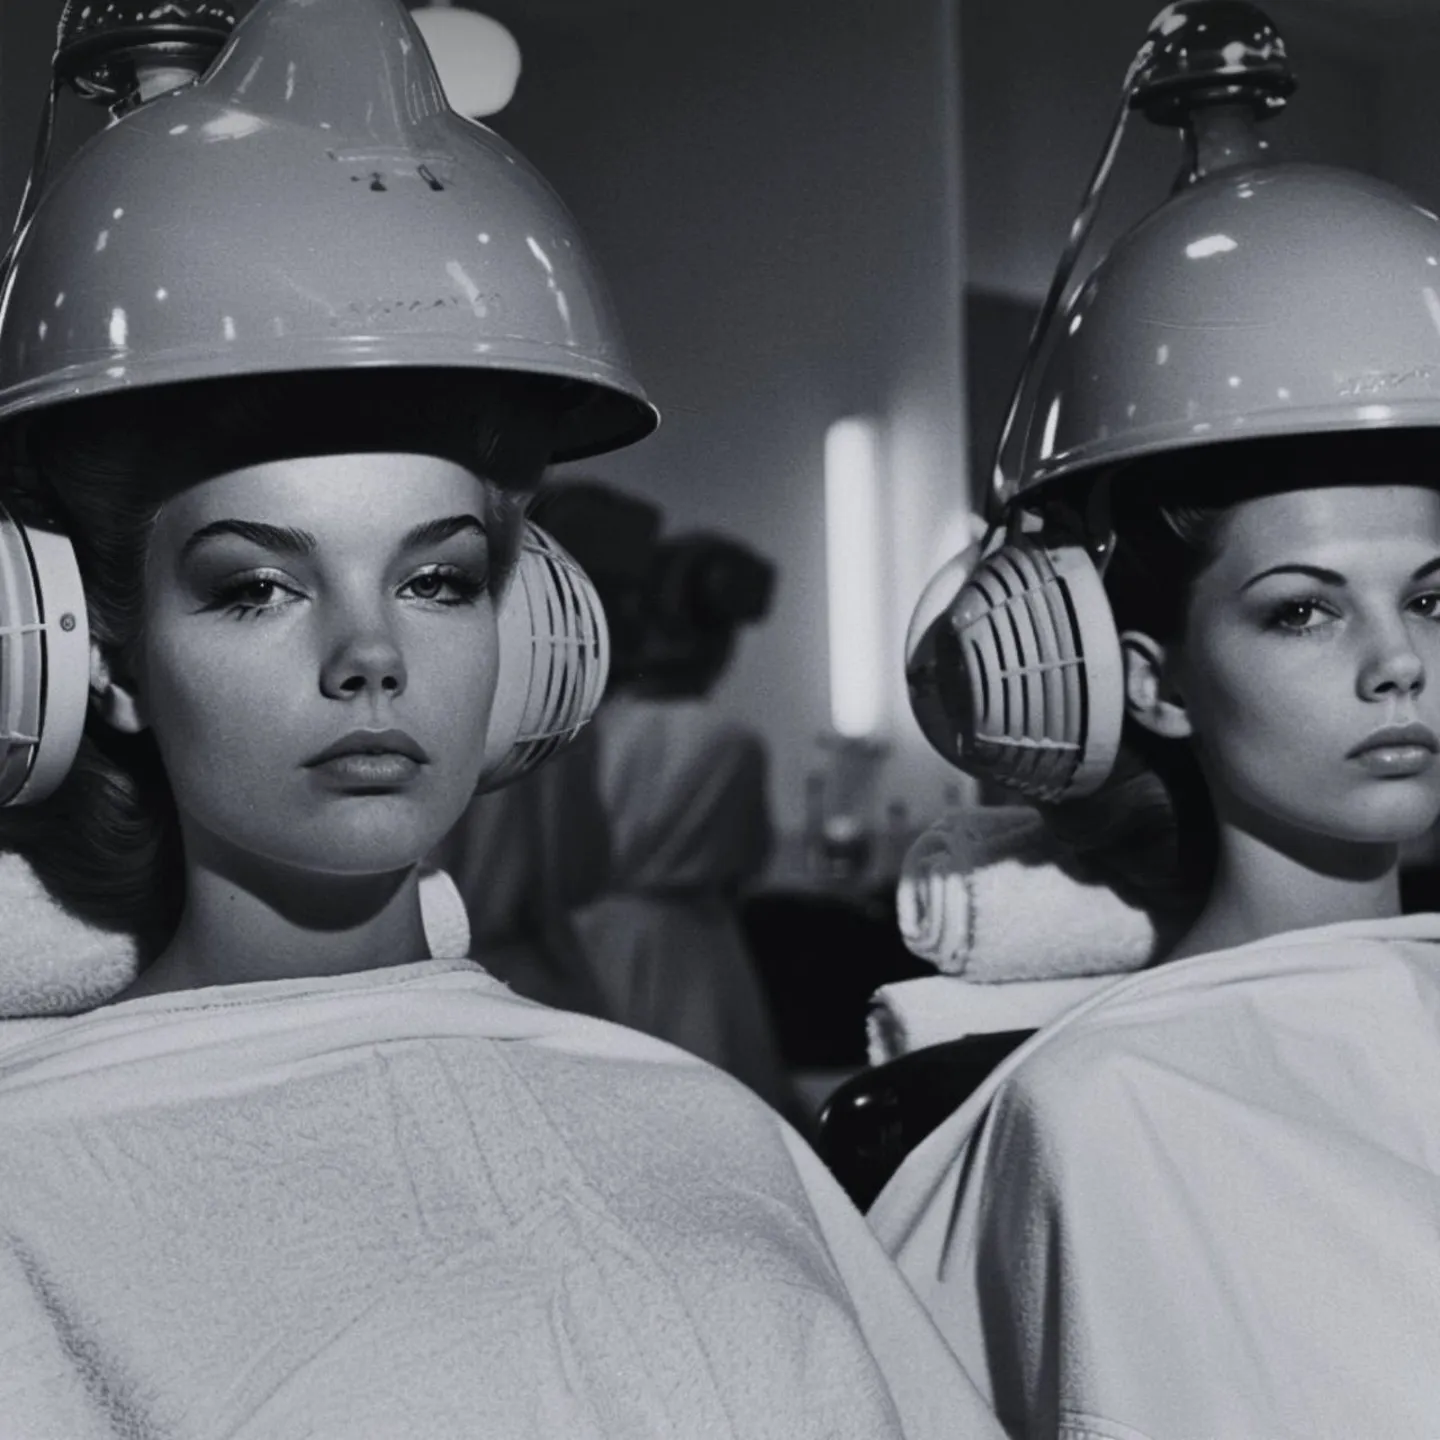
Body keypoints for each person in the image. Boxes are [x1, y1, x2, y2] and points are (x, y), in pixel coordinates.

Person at [0, 1, 1007, 1435]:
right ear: (99, 650)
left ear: (524, 629)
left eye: (439, 580)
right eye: (255, 588)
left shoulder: (711, 1135)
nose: (371, 658)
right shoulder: (34, 1192)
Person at [872, 3, 1440, 1435]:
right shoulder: (1108, 1108)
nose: (1400, 666)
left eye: (1435, 597)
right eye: (1303, 611)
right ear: (1150, 679)